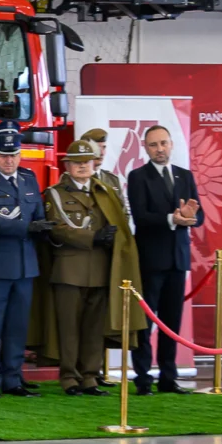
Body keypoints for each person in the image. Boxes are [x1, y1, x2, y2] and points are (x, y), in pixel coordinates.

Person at [45, 140, 135, 396]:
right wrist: (92, 237)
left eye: (86, 162)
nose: (82, 166)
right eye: (77, 162)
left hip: (99, 268)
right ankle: (70, 378)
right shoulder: (55, 193)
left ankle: (90, 377)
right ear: (68, 165)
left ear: (93, 163)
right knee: (69, 328)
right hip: (69, 270)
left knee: (94, 329)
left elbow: (119, 222)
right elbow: (57, 228)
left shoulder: (104, 192)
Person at [0, 122, 50, 398]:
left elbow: (38, 215)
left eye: (14, 154)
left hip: (25, 263)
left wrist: (42, 228)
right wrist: (27, 228)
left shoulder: (29, 179)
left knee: (17, 326)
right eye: (4, 155)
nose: (9, 160)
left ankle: (13, 378)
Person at [124, 125, 202, 395]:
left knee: (172, 322)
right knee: (145, 323)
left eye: (164, 143)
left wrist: (189, 217)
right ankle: (143, 378)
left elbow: (198, 216)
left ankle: (169, 378)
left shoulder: (185, 176)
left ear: (171, 145)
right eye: (154, 144)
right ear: (145, 148)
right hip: (150, 260)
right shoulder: (137, 177)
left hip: (178, 261)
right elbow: (141, 216)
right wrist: (173, 218)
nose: (160, 149)